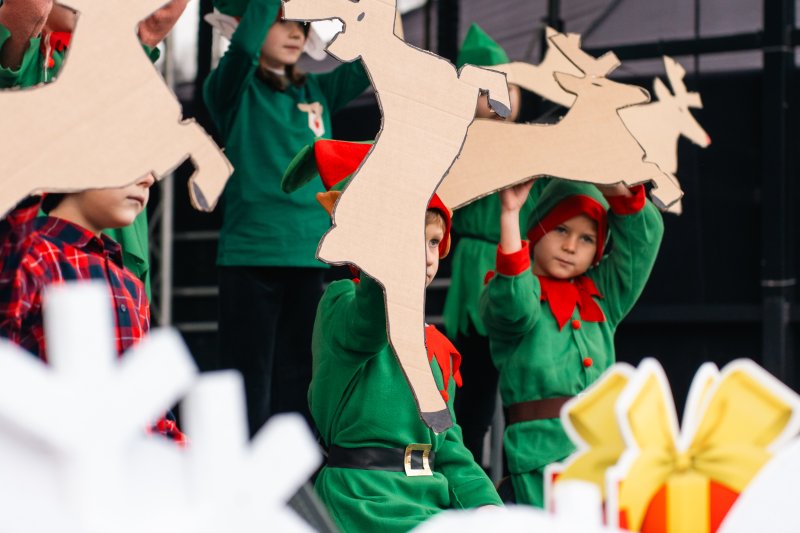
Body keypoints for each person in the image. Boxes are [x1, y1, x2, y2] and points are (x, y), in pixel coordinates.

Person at [281, 138, 502, 532]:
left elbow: (448, 446)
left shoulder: (433, 344)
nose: (428, 255)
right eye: (410, 237)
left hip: (427, 505)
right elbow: (368, 322)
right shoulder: (342, 301)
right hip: (362, 502)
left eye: (433, 241)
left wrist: (487, 506)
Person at [203, 0, 371, 436]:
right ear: (249, 23)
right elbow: (243, 50)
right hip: (250, 254)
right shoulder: (232, 88)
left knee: (302, 377)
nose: (296, 32)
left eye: (302, 24)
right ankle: (243, 472)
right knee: (246, 379)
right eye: (283, 23)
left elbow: (374, 58)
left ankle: (299, 473)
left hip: (309, 254)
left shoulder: (319, 91)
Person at [480, 178, 664, 507]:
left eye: (587, 238)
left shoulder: (604, 293)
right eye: (561, 229)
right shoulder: (512, 290)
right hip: (541, 454)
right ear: (538, 229)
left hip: (607, 450)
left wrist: (615, 189)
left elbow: (644, 241)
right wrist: (510, 214)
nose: (570, 246)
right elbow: (513, 302)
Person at [0, 0, 191, 298]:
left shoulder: (114, 57)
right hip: (44, 272)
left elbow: (159, 16)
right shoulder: (25, 53)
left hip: (120, 268)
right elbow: (31, 9)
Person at [443, 23, 540, 464]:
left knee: (524, 389)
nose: (500, 100)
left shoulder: (532, 145)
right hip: (475, 272)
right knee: (474, 393)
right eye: (487, 91)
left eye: (508, 88)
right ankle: (467, 473)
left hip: (521, 269)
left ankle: (518, 475)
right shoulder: (454, 144)